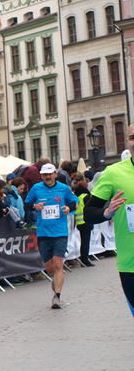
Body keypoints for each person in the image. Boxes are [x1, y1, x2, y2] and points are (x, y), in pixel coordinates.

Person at [84, 124, 134, 315]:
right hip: (130, 264)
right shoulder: (113, 173)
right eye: (133, 137)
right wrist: (107, 212)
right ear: (127, 141)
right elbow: (89, 213)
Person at [24, 163, 78, 309]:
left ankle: (57, 297)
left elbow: (74, 202)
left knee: (58, 263)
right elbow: (27, 204)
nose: (47, 177)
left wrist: (68, 208)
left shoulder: (63, 188)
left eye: (50, 174)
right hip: (43, 232)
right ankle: (56, 281)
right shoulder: (36, 188)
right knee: (49, 267)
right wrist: (35, 206)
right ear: (41, 176)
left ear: (55, 174)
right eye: (45, 175)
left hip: (60, 232)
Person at [72, 178, 94, 267]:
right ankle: (85, 260)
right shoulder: (86, 196)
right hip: (87, 221)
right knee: (86, 242)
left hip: (79, 222)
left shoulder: (77, 197)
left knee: (83, 241)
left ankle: (84, 259)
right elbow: (91, 208)